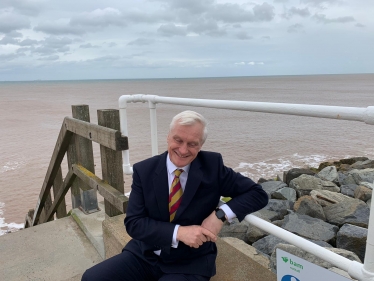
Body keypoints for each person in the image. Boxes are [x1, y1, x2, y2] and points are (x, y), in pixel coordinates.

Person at [82, 110, 268, 281]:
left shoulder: (213, 167)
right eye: (178, 140)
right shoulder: (144, 170)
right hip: (145, 254)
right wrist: (179, 232)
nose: (183, 150)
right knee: (92, 278)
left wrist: (220, 215)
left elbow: (257, 194)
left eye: (192, 144)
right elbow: (134, 223)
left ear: (201, 145)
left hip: (190, 263)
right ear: (168, 137)